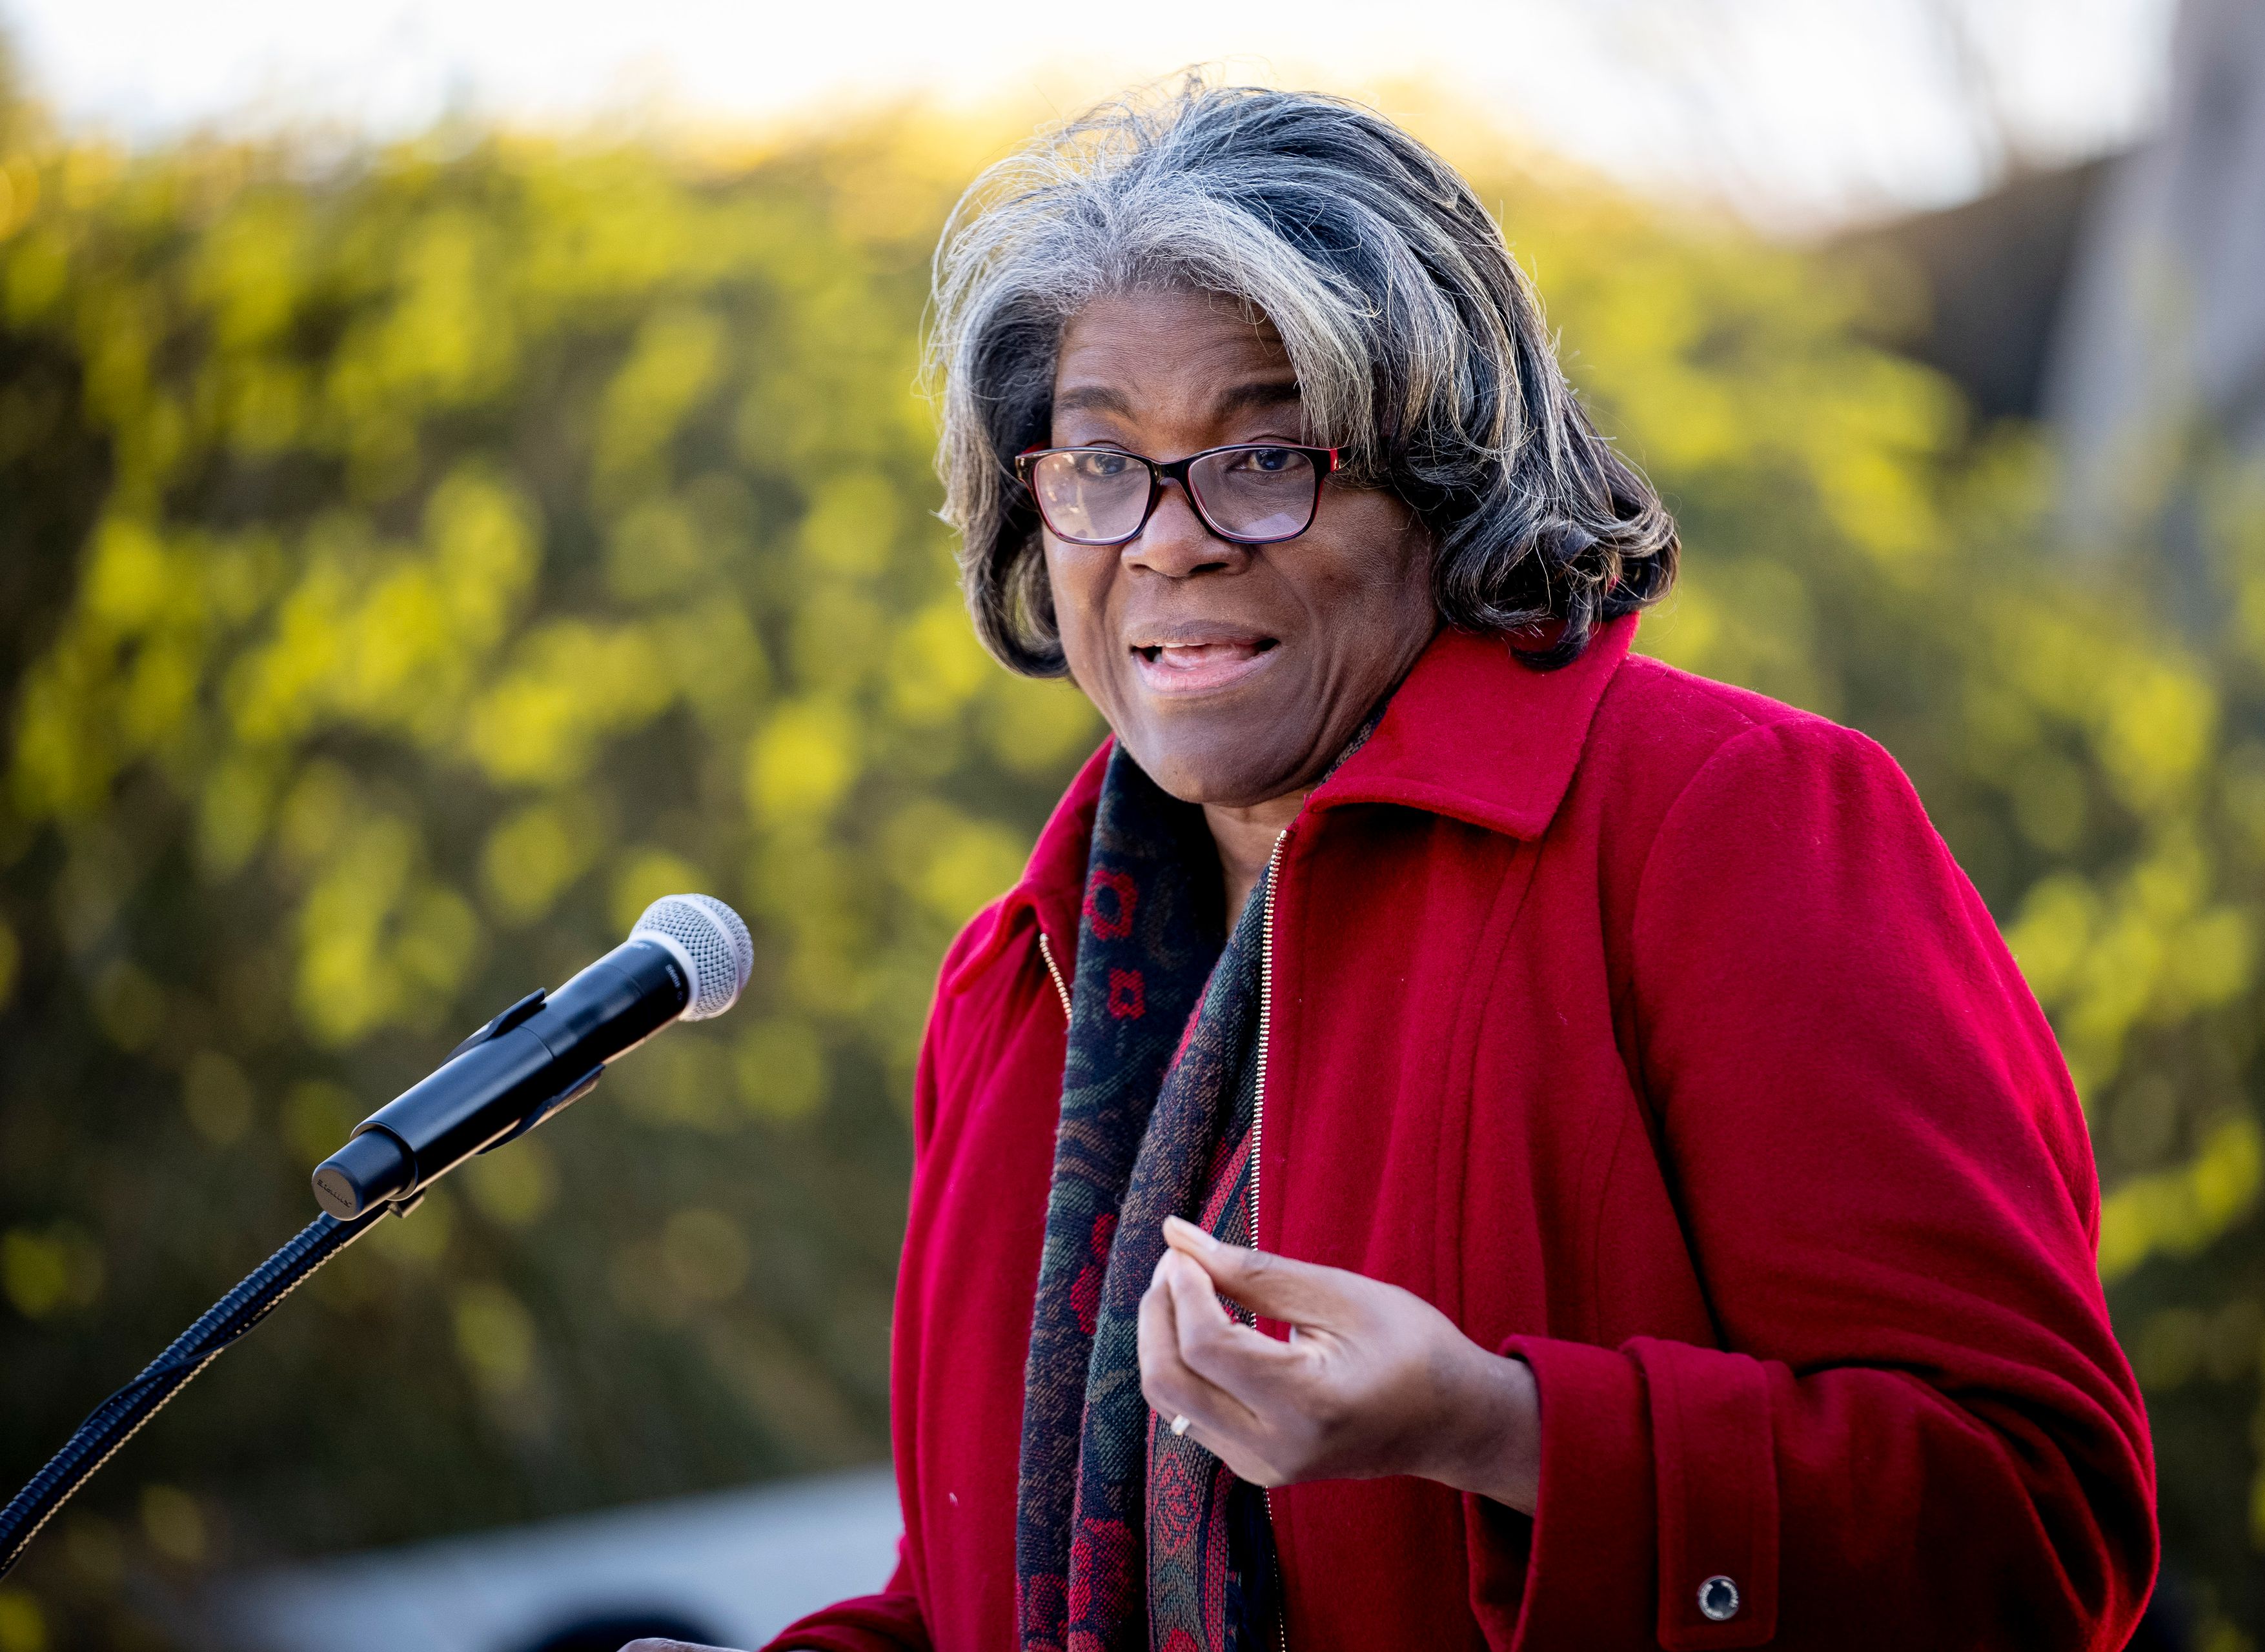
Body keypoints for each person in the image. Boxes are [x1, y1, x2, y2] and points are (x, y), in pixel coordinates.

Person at [644, 79, 2158, 1652]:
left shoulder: (1727, 820)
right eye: (1098, 461)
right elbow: (986, 1594)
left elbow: (2037, 1532)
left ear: (1449, 482)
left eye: (1266, 455)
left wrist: (1496, 1428)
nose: (1167, 541)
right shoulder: (1014, 982)